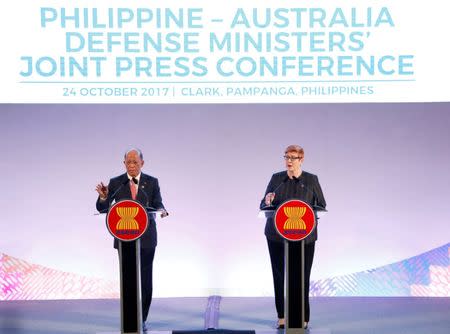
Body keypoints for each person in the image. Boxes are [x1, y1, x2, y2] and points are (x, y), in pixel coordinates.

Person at [95, 148, 168, 331]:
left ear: (142, 163)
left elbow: (157, 203)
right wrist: (104, 197)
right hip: (125, 240)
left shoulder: (152, 182)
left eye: (135, 162)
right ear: (124, 164)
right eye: (129, 162)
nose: (132, 165)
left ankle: (142, 317)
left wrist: (161, 210)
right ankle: (129, 319)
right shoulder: (117, 183)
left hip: (147, 239)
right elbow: (103, 208)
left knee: (145, 280)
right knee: (128, 280)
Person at [260, 145, 326, 329]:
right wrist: (267, 200)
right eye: (287, 157)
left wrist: (310, 216)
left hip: (304, 236)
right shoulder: (277, 179)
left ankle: (303, 317)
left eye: (293, 157)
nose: (289, 160)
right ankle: (281, 316)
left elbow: (321, 205)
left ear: (301, 160)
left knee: (302, 276)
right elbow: (263, 203)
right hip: (276, 235)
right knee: (279, 274)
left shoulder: (311, 180)